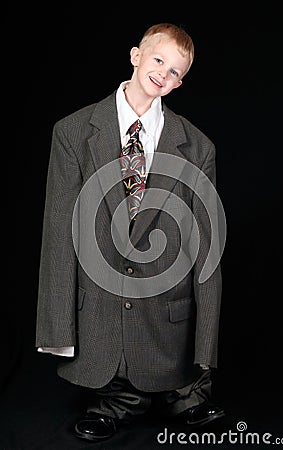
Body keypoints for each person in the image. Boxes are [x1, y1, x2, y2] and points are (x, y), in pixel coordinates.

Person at [35, 22, 225, 443]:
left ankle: (185, 394)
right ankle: (114, 400)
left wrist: (206, 350)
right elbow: (58, 232)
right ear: (136, 56)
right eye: (158, 60)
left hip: (166, 306)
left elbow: (207, 248)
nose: (164, 74)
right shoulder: (73, 133)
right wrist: (56, 333)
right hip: (100, 302)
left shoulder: (197, 146)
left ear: (180, 83)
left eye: (176, 71)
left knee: (176, 370)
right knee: (112, 372)